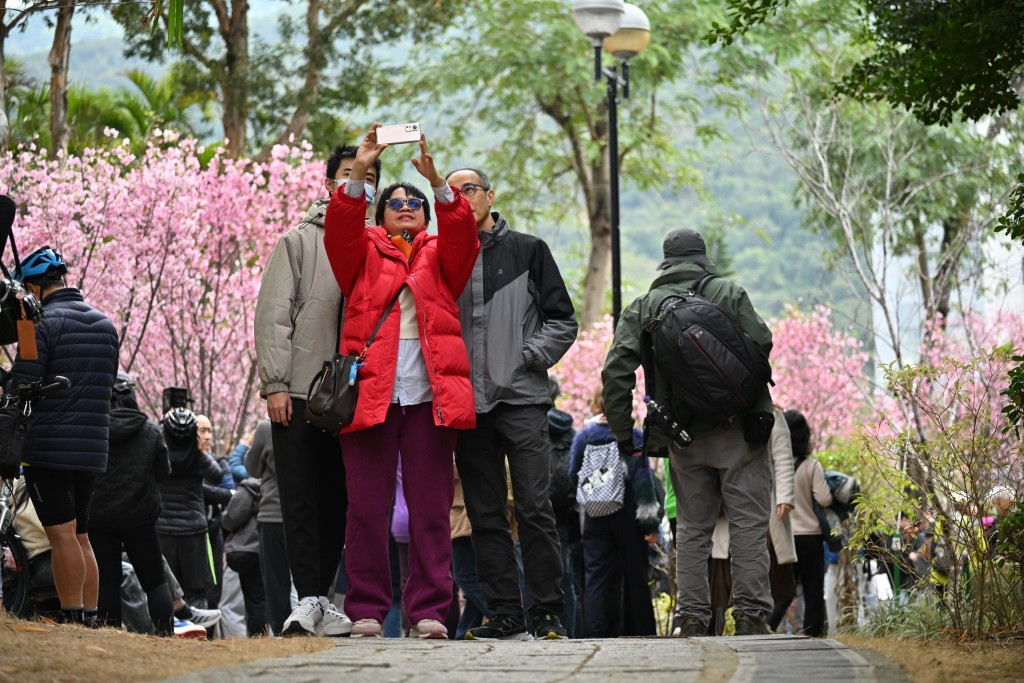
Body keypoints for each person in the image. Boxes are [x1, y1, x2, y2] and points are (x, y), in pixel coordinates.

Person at [322, 124, 478, 639]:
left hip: (431, 395)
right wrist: (363, 168)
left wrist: (437, 182)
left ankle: (429, 612)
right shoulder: (361, 252)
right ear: (380, 212)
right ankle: (366, 609)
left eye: (415, 202)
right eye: (396, 201)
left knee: (432, 510)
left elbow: (462, 233)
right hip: (371, 393)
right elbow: (341, 227)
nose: (406, 205)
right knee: (366, 509)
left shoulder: (442, 255)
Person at [602, 227, 775, 637]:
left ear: (665, 261)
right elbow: (763, 340)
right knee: (748, 523)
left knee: (693, 528)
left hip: (684, 436)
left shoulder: (644, 306)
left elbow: (616, 371)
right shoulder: (729, 293)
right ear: (702, 258)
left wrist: (625, 434)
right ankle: (750, 618)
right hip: (740, 429)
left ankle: (692, 619)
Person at [444, 166, 578, 641]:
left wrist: (526, 357)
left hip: (522, 400)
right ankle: (503, 613)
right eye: (453, 191)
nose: (463, 197)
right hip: (468, 406)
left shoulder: (529, 250)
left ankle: (546, 612)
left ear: (489, 195)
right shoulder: (444, 255)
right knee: (484, 514)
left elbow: (562, 320)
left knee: (535, 506)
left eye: (471, 189)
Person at [254, 144, 381, 638]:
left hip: (357, 398)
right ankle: (307, 597)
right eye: (350, 174)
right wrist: (276, 384)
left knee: (340, 501)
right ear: (330, 184)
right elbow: (273, 315)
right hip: (303, 391)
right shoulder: (299, 242)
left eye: (369, 177)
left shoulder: (379, 244)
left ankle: (323, 599)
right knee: (302, 499)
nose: (360, 184)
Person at [9, 245, 119, 625]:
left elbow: (24, 382)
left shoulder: (39, 324)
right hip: (91, 449)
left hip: (49, 447)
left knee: (60, 535)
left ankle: (70, 616)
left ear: (36, 286)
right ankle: (88, 616)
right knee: (81, 535)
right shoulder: (105, 325)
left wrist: (23, 327)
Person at [568, 387, 659, 638]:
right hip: (627, 512)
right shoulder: (633, 435)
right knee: (635, 574)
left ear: (598, 404)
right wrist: (650, 524)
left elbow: (573, 474)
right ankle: (638, 630)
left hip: (595, 513)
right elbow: (643, 484)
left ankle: (596, 631)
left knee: (596, 575)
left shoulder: (584, 436)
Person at [89, 372, 175, 634]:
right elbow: (164, 473)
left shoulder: (94, 431)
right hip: (140, 515)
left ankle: (110, 635)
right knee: (155, 581)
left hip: (100, 515)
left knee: (107, 582)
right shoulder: (150, 432)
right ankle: (165, 634)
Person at [767, 409, 832, 637]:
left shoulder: (774, 466)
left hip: (784, 535)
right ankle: (812, 635)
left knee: (783, 589)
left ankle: (766, 625)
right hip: (811, 536)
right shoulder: (811, 466)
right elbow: (824, 498)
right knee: (813, 591)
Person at [156, 406, 226, 611]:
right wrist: (197, 450)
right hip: (193, 530)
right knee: (196, 590)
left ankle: (167, 632)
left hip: (164, 528)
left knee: (166, 587)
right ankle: (197, 633)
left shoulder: (160, 453)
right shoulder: (198, 457)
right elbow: (217, 475)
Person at [243, 419, 291, 635]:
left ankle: (283, 633)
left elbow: (251, 468)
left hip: (272, 515)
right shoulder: (316, 421)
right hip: (307, 516)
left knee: (275, 583)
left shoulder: (266, 427)